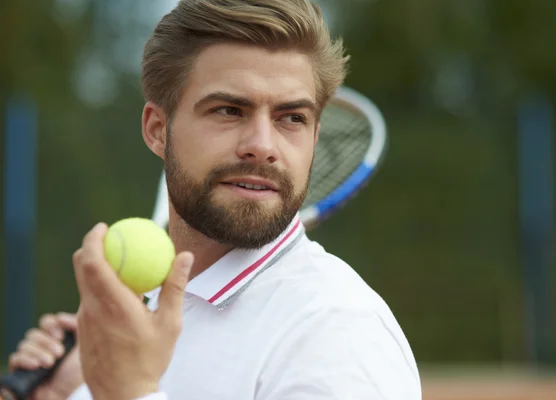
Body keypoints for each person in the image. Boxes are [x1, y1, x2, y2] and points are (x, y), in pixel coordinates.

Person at [5, 0, 421, 399]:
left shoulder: (337, 331)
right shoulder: (150, 319)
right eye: (229, 110)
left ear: (315, 137)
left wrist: (128, 392)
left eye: (292, 118)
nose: (262, 145)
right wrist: (72, 393)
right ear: (156, 129)